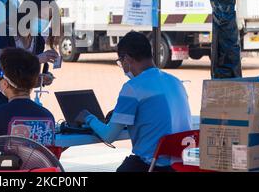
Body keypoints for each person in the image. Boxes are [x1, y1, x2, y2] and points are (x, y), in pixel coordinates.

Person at [75, 31, 192, 172]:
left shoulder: (133, 88)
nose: (122, 66)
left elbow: (109, 136)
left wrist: (88, 117)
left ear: (127, 59)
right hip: (182, 165)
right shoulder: (176, 81)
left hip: (154, 166)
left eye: (120, 61)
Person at [0, 0, 61, 112]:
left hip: (20, 106)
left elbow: (23, 81)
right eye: (41, 16)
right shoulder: (3, 31)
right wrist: (37, 59)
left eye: (48, 19)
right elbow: (0, 69)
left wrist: (41, 79)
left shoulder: (38, 41)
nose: (44, 22)